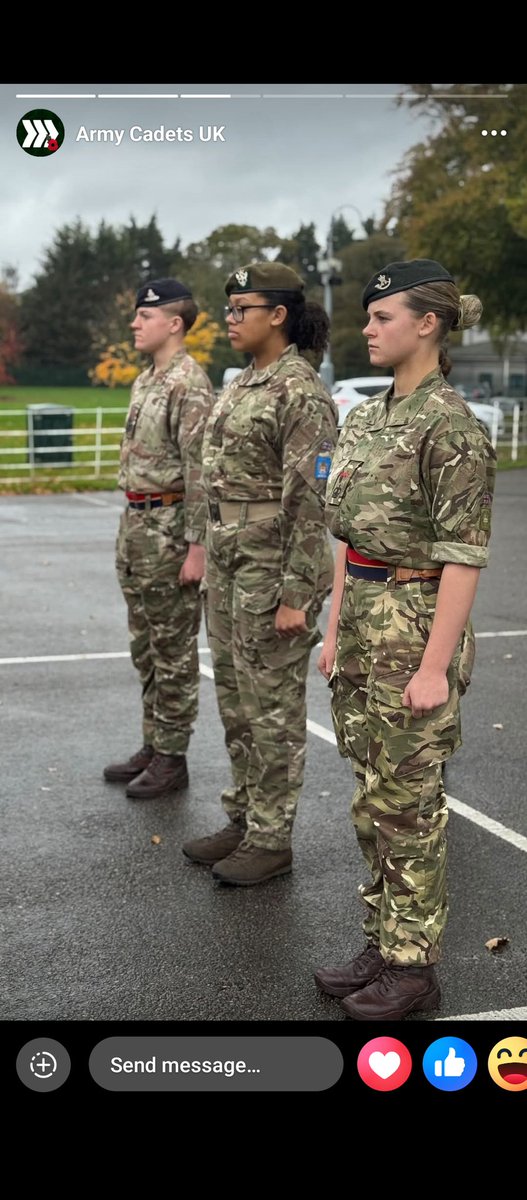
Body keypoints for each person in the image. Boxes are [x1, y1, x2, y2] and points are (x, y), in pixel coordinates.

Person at [313, 259, 496, 1018]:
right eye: (367, 315)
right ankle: (383, 941)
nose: (367, 328)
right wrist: (332, 630)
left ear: (427, 323)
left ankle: (414, 967)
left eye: (382, 316)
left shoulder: (450, 426)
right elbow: (347, 537)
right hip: (361, 622)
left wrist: (434, 668)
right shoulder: (364, 418)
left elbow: (462, 557)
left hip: (412, 624)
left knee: (408, 804)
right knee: (371, 797)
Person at [182, 262, 338, 885]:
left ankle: (272, 839)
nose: (230, 317)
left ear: (277, 315)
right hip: (229, 562)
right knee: (237, 700)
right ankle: (245, 817)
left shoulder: (300, 391)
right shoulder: (244, 382)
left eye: (241, 308)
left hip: (271, 567)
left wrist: (298, 593)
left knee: (272, 706)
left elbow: (311, 501)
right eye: (229, 307)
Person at [103, 278, 215, 799]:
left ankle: (172, 756)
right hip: (137, 527)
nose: (134, 323)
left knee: (172, 650)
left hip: (170, 529)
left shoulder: (189, 384)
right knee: (145, 646)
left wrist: (197, 548)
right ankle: (153, 743)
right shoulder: (147, 379)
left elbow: (200, 471)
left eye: (144, 316)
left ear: (174, 324)